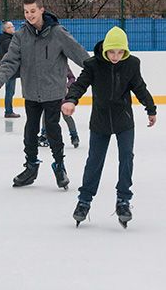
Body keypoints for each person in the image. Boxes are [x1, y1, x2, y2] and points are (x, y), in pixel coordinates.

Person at [0, 0, 89, 190]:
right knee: (30, 130)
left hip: (53, 92)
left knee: (53, 129)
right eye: (26, 12)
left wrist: (98, 70)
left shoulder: (58, 33)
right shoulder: (20, 36)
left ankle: (60, 166)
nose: (29, 15)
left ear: (42, 10)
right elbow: (10, 61)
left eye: (33, 11)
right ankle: (31, 166)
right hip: (31, 93)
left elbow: (79, 54)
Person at [63, 26, 157, 229]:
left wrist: (151, 108)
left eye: (120, 52)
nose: (116, 56)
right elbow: (80, 84)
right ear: (105, 49)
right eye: (112, 52)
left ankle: (123, 200)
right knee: (95, 161)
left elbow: (140, 87)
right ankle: (84, 201)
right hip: (100, 120)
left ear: (126, 50)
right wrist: (71, 99)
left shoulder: (132, 64)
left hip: (124, 120)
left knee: (126, 157)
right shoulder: (93, 65)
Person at [39, 66, 80, 148]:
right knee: (46, 114)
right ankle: (44, 134)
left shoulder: (63, 66)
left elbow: (72, 78)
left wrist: (67, 86)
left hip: (61, 96)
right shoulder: (45, 65)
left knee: (66, 116)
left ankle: (74, 136)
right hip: (49, 96)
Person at [0, 21, 21, 118]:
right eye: (10, 27)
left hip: (8, 68)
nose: (13, 28)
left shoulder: (6, 39)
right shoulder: (7, 41)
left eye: (12, 26)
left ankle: (9, 110)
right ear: (6, 30)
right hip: (9, 69)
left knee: (10, 90)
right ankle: (8, 111)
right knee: (10, 91)